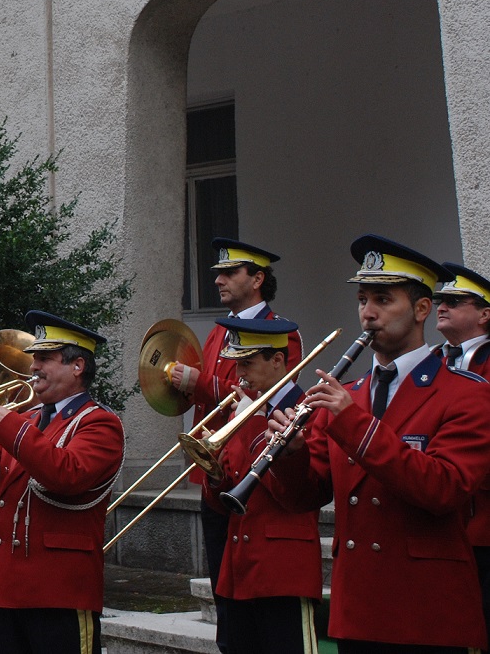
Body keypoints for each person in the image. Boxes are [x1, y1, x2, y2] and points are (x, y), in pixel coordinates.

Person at [265, 234, 490, 653]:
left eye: (383, 300)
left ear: (422, 309)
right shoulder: (352, 392)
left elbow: (443, 488)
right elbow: (305, 497)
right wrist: (289, 457)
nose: (367, 313)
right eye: (363, 299)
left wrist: (352, 422)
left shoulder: (467, 393)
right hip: (358, 609)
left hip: (429, 614)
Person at [0, 310, 124, 654]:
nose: (33, 367)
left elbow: (66, 474)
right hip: (8, 585)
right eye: (34, 358)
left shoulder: (98, 424)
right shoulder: (30, 419)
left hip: (60, 589)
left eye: (44, 359)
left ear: (77, 366)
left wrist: (6, 424)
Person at [170, 237, 301, 646]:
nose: (219, 281)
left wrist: (202, 383)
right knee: (222, 585)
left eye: (229, 273)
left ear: (258, 279)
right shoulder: (217, 334)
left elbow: (272, 393)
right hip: (217, 470)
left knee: (254, 602)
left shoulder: (282, 333)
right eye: (218, 274)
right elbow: (213, 396)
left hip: (253, 469)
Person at [208, 317, 321, 654]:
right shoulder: (246, 411)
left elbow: (284, 488)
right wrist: (214, 475)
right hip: (239, 565)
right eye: (236, 362)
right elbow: (231, 490)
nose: (239, 373)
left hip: (283, 570)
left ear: (277, 361)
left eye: (247, 362)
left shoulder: (307, 408)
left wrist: (248, 423)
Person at [432, 262, 490, 638]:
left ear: (485, 314)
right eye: (439, 299)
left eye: (454, 301)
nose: (442, 306)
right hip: (436, 522)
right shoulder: (429, 363)